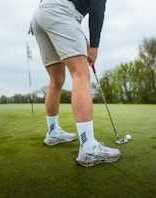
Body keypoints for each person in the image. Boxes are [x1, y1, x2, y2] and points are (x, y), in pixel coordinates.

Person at [30, 0, 121, 167]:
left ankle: (53, 133)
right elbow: (97, 8)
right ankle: (89, 148)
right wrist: (94, 46)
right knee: (81, 73)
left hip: (40, 14)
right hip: (60, 11)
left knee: (56, 79)